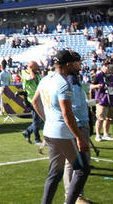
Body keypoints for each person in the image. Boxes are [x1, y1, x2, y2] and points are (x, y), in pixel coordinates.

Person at [31, 50, 90, 204]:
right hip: (63, 133)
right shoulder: (64, 84)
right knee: (82, 169)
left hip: (50, 132)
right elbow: (67, 114)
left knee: (55, 173)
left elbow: (35, 102)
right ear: (68, 64)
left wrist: (47, 119)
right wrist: (79, 137)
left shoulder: (45, 79)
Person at [62, 63, 92, 204]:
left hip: (79, 123)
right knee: (76, 163)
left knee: (74, 163)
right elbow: (72, 106)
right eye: (77, 62)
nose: (80, 65)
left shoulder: (73, 78)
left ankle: (73, 195)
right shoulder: (69, 81)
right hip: (77, 124)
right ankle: (74, 196)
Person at [89, 62, 113, 142]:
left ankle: (106, 134)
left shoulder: (111, 76)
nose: (108, 68)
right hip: (101, 100)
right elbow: (91, 86)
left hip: (111, 99)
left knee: (109, 118)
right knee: (100, 118)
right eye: (106, 66)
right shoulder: (98, 75)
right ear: (103, 67)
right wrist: (98, 86)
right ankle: (98, 135)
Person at [21, 60, 43, 146]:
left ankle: (28, 131)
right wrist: (30, 70)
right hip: (31, 100)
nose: (38, 68)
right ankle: (37, 139)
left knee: (39, 119)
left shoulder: (36, 73)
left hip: (38, 99)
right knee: (37, 119)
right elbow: (32, 78)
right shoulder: (25, 73)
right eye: (36, 67)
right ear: (31, 67)